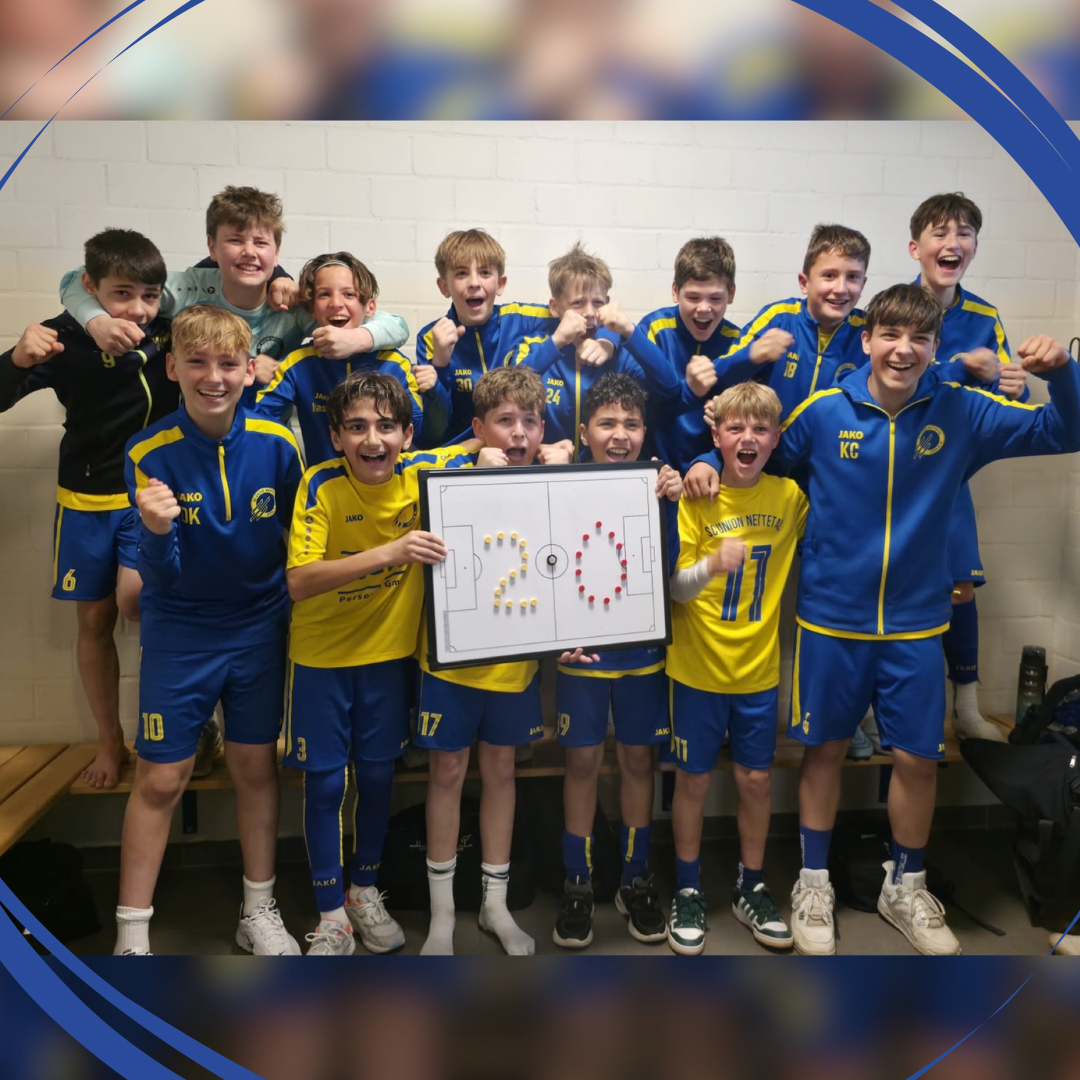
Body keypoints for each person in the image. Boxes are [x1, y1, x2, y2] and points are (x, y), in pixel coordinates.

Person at [684, 283, 1080, 956]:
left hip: (916, 626)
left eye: (919, 338)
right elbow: (754, 456)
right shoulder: (823, 410)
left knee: (918, 760)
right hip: (830, 623)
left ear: (935, 347)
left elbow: (1064, 430)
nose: (903, 350)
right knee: (826, 752)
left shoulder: (963, 410)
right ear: (866, 340)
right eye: (889, 335)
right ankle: (813, 883)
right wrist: (701, 459)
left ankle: (907, 885)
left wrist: (1064, 372)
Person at [117, 305, 303, 956]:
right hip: (181, 632)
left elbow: (298, 545)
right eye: (196, 361)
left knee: (256, 767)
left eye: (228, 363)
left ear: (250, 371)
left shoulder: (279, 445)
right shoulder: (147, 452)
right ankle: (131, 938)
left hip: (259, 629)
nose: (213, 376)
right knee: (160, 780)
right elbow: (158, 581)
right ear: (172, 367)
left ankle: (259, 911)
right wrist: (156, 531)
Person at [284, 371, 475, 956]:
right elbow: (299, 581)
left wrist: (531, 448)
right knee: (325, 785)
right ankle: (330, 916)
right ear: (336, 437)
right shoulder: (320, 483)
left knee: (376, 778)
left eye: (386, 427)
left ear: (407, 436)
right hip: (322, 660)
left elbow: (478, 443)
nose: (373, 440)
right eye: (357, 427)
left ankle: (363, 890)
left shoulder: (422, 472)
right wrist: (390, 552)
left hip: (389, 660)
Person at [0, 228, 174, 789]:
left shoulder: (170, 329)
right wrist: (15, 359)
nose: (138, 309)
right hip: (85, 499)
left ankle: (174, 732)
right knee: (94, 620)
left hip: (153, 498)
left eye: (149, 295)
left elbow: (225, 290)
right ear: (91, 287)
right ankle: (109, 740)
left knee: (144, 607)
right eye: (123, 293)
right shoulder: (62, 337)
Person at [413, 366, 568, 956]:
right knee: (447, 774)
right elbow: (417, 469)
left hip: (514, 665)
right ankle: (442, 916)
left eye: (531, 421)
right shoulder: (448, 476)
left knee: (502, 773)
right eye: (505, 421)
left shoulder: (552, 486)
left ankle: (495, 905)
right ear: (478, 429)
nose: (519, 433)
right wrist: (468, 466)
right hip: (448, 663)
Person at [666, 381, 806, 955]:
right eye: (735, 428)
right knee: (693, 781)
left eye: (760, 429)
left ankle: (752, 885)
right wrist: (711, 566)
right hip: (696, 668)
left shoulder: (790, 497)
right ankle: (688, 889)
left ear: (776, 438)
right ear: (717, 435)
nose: (748, 438)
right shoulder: (696, 495)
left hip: (757, 671)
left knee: (755, 780)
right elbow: (675, 588)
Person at [552, 373, 681, 950]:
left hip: (642, 650)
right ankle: (577, 884)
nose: (620, 435)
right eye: (607, 423)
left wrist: (675, 487)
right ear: (584, 432)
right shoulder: (559, 483)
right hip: (581, 651)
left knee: (637, 762)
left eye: (631, 424)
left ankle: (635, 880)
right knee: (580, 764)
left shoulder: (659, 484)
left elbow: (673, 568)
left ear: (645, 432)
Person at [57, 186, 409, 388]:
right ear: (212, 247)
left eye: (260, 242)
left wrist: (356, 339)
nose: (249, 252)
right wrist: (97, 322)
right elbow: (77, 278)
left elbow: (396, 325)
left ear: (276, 253)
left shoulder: (292, 307)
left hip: (265, 435)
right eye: (235, 240)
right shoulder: (186, 290)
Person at [907, 192, 1028, 742]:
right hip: (893, 469)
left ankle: (967, 706)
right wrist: (959, 367)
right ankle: (873, 710)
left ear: (975, 247)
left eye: (963, 233)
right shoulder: (893, 307)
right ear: (916, 248)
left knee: (961, 585)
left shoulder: (984, 316)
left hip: (950, 472)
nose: (952, 243)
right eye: (940, 233)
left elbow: (1006, 401)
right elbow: (884, 383)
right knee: (889, 583)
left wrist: (1012, 384)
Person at [414, 228, 600, 448]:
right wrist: (441, 366)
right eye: (461, 273)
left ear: (500, 283)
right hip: (460, 457)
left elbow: (593, 316)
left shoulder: (520, 319)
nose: (474, 283)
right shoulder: (431, 338)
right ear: (444, 286)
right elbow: (433, 435)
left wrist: (607, 342)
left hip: (516, 452)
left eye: (484, 273)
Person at [507, 242, 680, 456]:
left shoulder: (622, 354)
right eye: (578, 303)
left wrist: (628, 330)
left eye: (597, 303)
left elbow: (670, 389)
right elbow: (508, 394)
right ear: (555, 307)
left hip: (608, 469)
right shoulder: (534, 346)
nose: (589, 313)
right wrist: (557, 341)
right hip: (549, 467)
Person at [685, 224, 871, 421]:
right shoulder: (779, 318)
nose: (841, 288)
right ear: (804, 283)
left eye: (853, 277)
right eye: (829, 276)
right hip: (770, 440)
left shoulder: (869, 332)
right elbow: (718, 377)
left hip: (833, 442)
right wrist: (751, 356)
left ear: (863, 284)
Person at [255, 252, 425, 464]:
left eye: (349, 294)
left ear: (370, 307)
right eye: (324, 294)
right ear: (311, 310)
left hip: (388, 482)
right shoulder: (297, 364)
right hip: (324, 483)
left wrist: (434, 391)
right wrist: (250, 374)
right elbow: (259, 422)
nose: (336, 303)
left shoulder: (394, 364)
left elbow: (419, 430)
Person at [639, 237, 742, 473]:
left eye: (715, 298)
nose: (704, 308)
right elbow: (638, 409)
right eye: (693, 297)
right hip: (656, 471)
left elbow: (747, 425)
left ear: (731, 294)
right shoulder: (654, 330)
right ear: (675, 291)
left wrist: (729, 415)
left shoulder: (738, 343)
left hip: (711, 473)